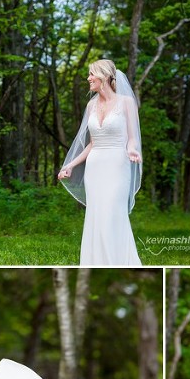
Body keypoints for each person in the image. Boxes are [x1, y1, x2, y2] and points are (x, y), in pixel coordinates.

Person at [58, 59, 142, 266]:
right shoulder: (91, 105)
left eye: (91, 74)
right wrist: (70, 165)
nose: (88, 78)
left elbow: (132, 137)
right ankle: (96, 260)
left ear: (104, 77)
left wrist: (132, 150)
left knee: (112, 212)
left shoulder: (126, 103)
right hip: (95, 168)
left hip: (117, 164)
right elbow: (91, 144)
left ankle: (119, 261)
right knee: (96, 215)